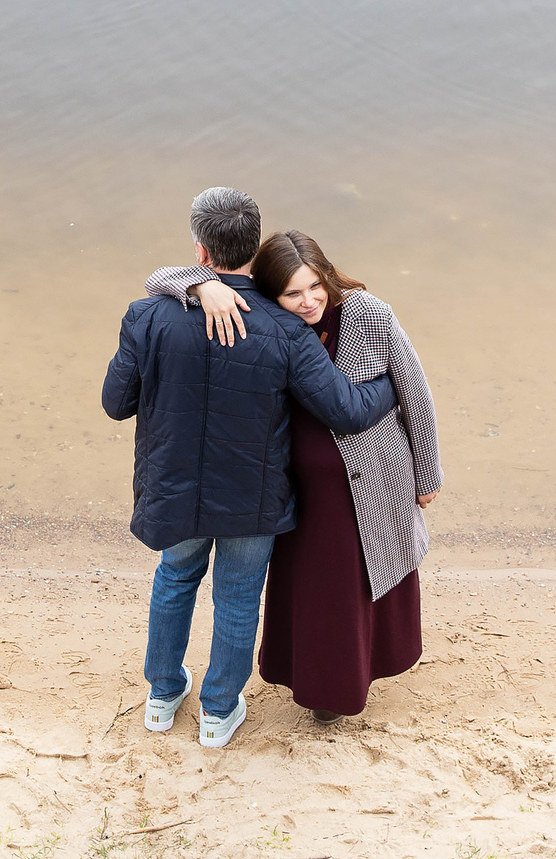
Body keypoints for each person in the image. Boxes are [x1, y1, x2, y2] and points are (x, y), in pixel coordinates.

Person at [102, 188, 397, 749]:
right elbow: (345, 411)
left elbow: (116, 403)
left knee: (175, 579)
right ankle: (218, 712)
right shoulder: (286, 329)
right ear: (256, 245)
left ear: (200, 251)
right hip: (252, 496)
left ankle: (162, 695)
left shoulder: (148, 316)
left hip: (174, 488)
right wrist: (391, 383)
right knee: (237, 597)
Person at [150, 230, 442, 719]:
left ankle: (342, 688)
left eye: (315, 287)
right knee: (312, 590)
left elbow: (415, 390)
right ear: (271, 292)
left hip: (372, 479)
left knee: (355, 586)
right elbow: (159, 279)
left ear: (327, 276)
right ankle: (317, 684)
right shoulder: (260, 315)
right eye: (292, 293)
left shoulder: (370, 314)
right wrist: (202, 285)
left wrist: (427, 474)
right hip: (292, 488)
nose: (308, 301)